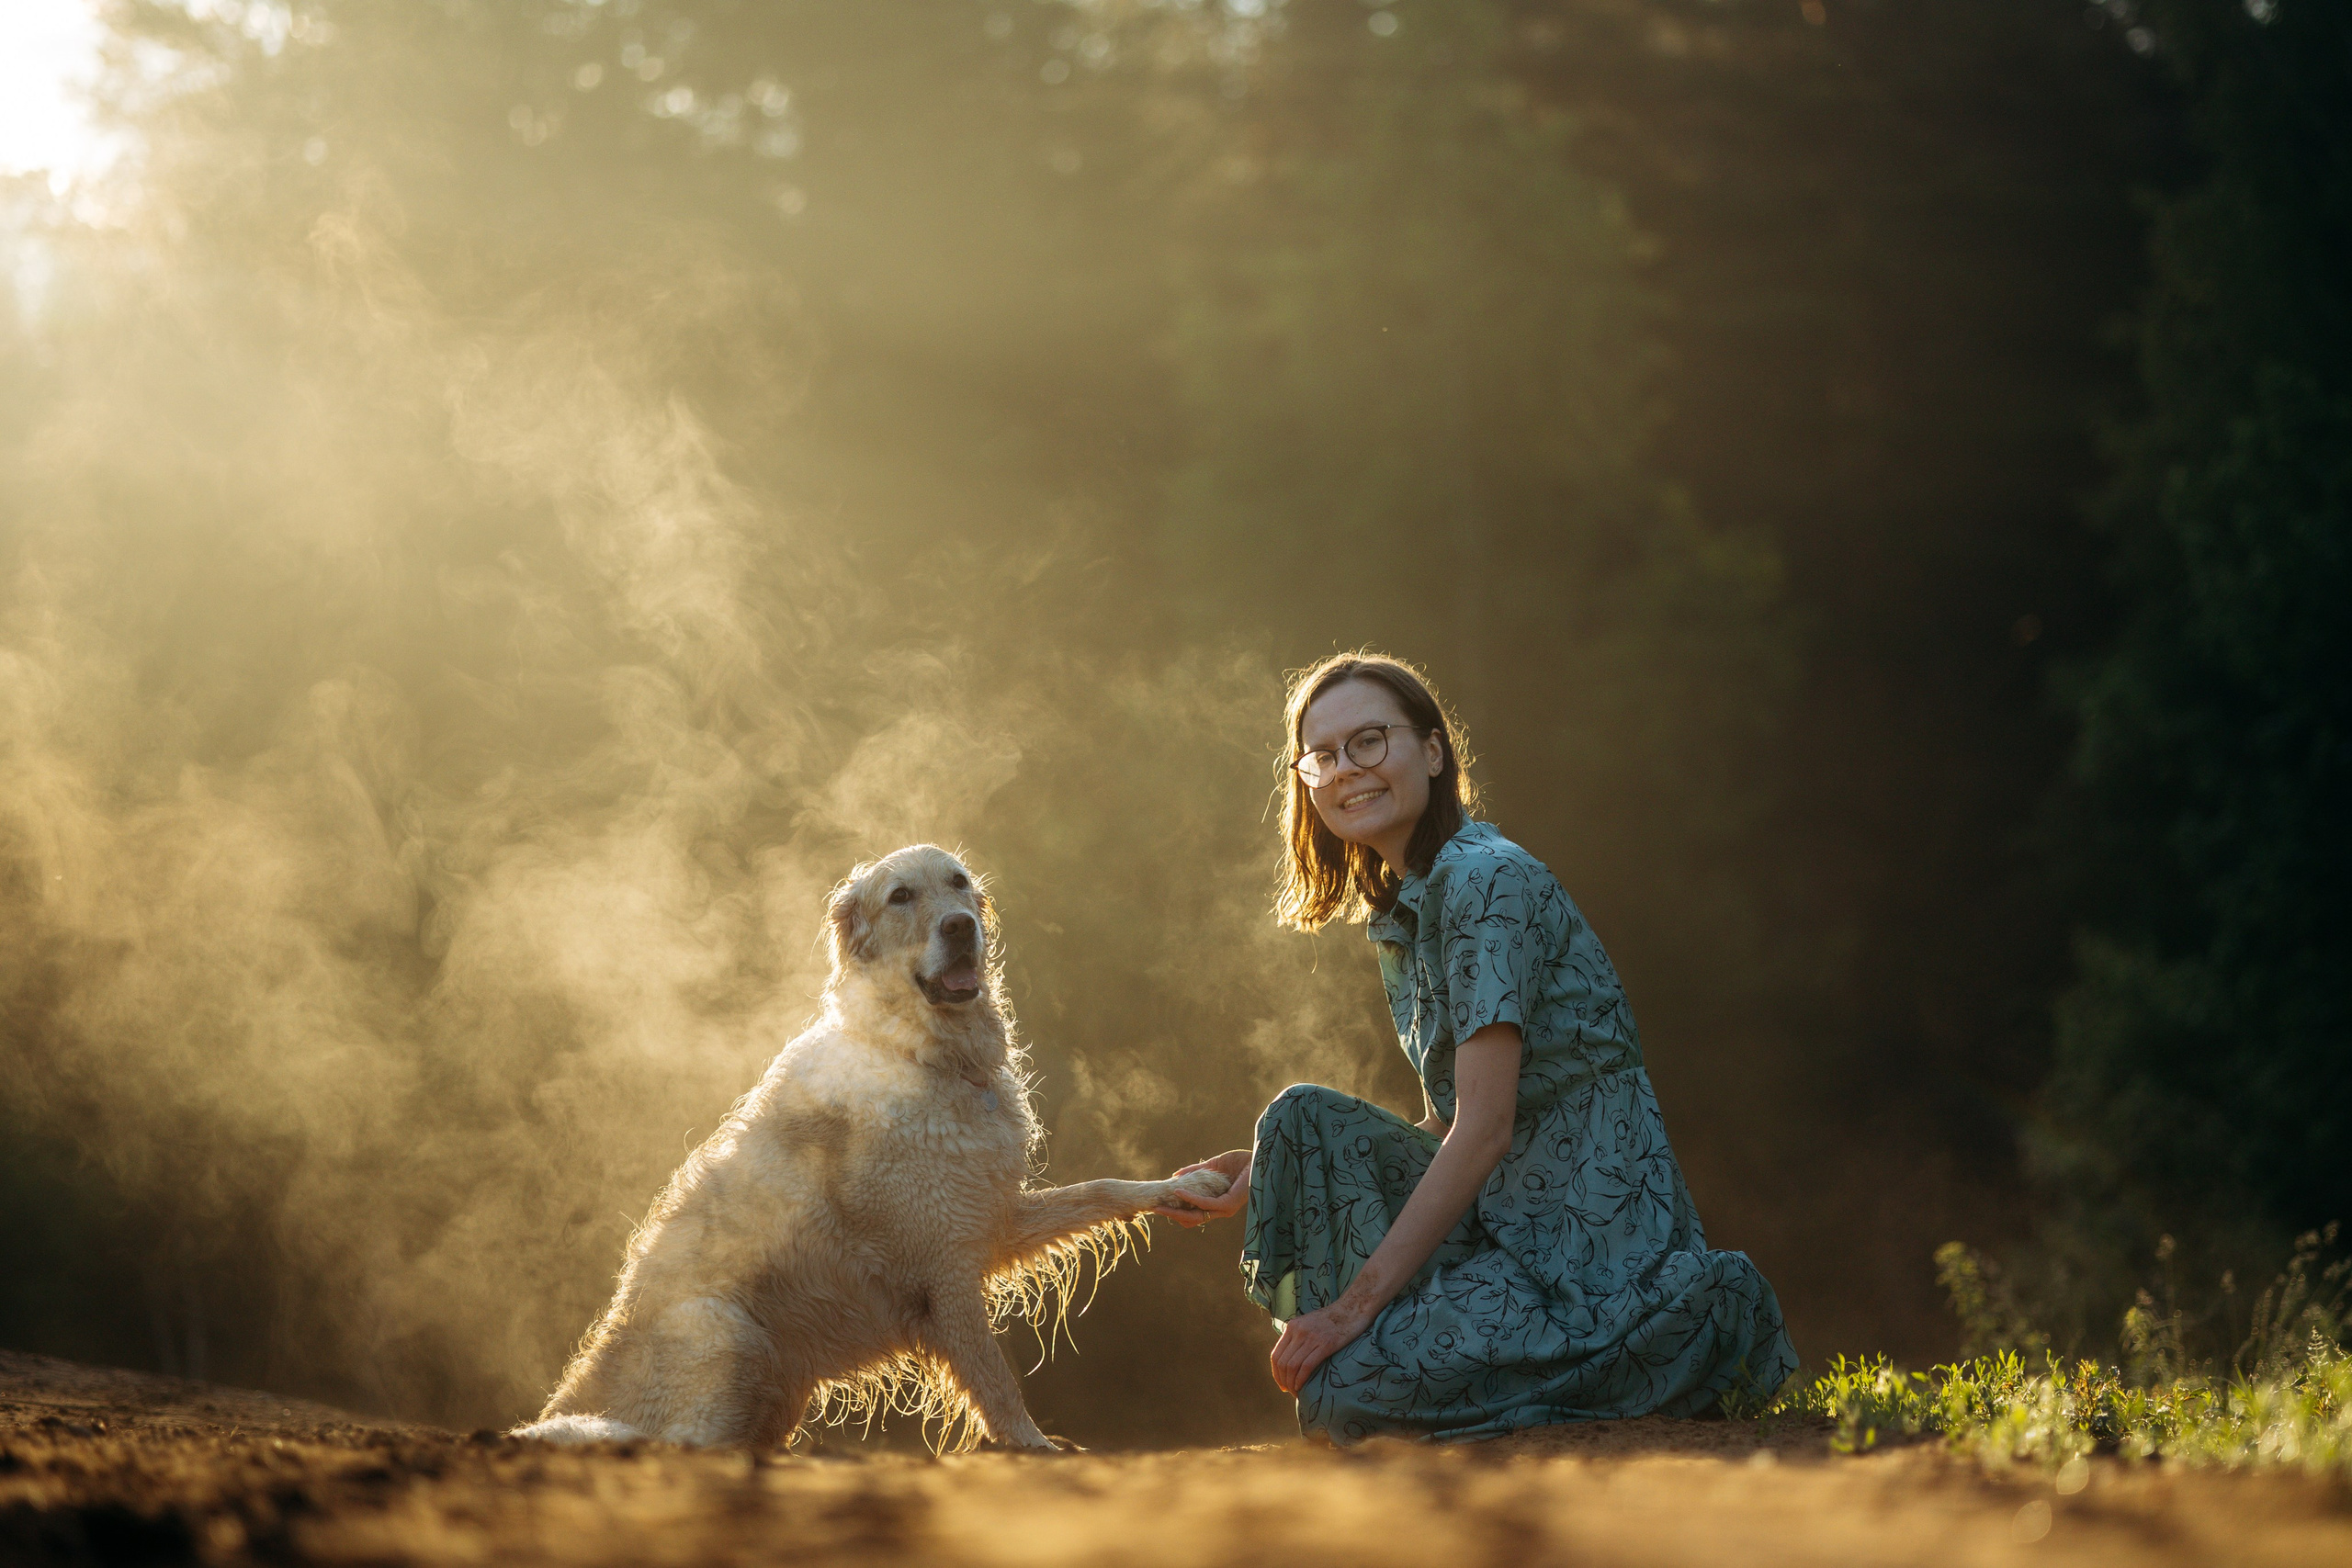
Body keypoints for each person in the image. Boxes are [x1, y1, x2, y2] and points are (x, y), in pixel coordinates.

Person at [1159, 651, 1798, 1444]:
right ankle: (1368, 1340)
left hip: (1588, 1259)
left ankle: (1682, 1323)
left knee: (1342, 1388)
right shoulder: (1409, 907)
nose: (1344, 769)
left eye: (1368, 741)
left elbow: (1484, 1129)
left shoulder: (1486, 883)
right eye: (1322, 755)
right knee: (1296, 1123)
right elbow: (1445, 1123)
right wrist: (1258, 1173)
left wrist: (1350, 1311)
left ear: (1432, 751)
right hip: (1505, 1231)